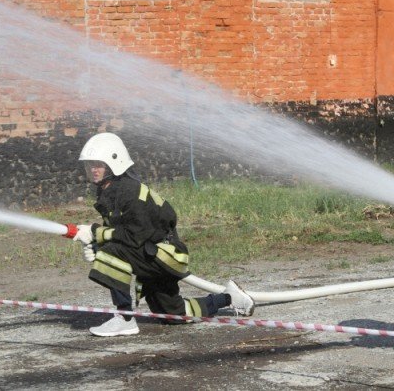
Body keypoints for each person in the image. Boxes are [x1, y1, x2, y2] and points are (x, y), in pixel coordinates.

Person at [70, 132, 255, 337]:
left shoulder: (130, 192)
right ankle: (229, 298)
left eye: (98, 164)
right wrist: (97, 245)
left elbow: (134, 236)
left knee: (112, 251)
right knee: (174, 315)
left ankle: (124, 318)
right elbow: (120, 234)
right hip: (149, 255)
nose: (93, 169)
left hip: (164, 255)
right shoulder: (110, 192)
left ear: (115, 162)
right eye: (90, 165)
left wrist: (95, 233)